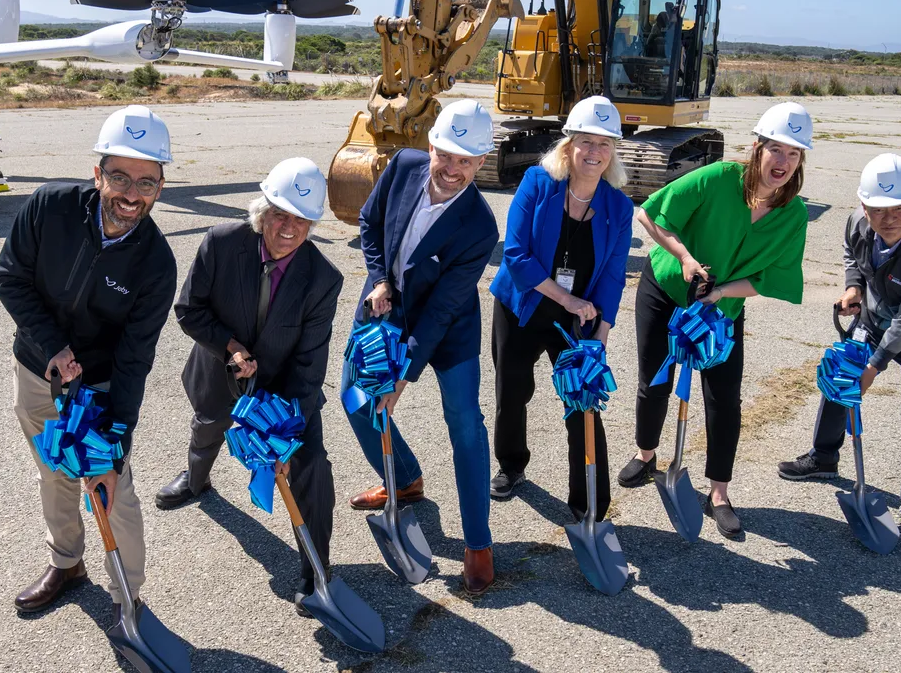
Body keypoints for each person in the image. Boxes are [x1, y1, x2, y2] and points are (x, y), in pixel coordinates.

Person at [0, 105, 177, 623]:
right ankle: (67, 563)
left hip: (97, 389)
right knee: (54, 474)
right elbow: (9, 277)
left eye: (146, 181)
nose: (131, 194)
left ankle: (127, 598)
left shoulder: (157, 264)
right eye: (119, 176)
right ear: (97, 174)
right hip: (35, 369)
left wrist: (116, 445)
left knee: (114, 493)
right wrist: (52, 345)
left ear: (161, 186)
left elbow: (135, 359)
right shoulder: (50, 206)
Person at [617, 101, 815, 538]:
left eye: (793, 154)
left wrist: (723, 292)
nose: (782, 162)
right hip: (668, 288)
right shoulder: (718, 178)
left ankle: (719, 492)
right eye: (776, 150)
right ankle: (647, 453)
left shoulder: (793, 214)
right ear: (757, 148)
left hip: (720, 308)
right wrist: (686, 258)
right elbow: (649, 214)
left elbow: (769, 279)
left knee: (724, 397)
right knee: (655, 380)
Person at [159, 157, 344, 615]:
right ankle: (196, 480)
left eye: (302, 219)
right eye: (280, 214)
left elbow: (309, 363)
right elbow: (189, 310)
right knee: (209, 426)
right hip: (220, 370)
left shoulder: (324, 279)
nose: (289, 228)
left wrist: (283, 438)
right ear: (262, 212)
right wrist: (231, 347)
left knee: (311, 467)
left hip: (284, 388)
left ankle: (316, 566)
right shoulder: (221, 243)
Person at [344, 99, 500, 594]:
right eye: (447, 155)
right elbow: (370, 224)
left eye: (467, 161)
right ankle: (406, 479)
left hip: (447, 327)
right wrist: (379, 278)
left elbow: (441, 309)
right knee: (358, 398)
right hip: (384, 304)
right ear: (430, 145)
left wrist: (403, 377)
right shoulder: (404, 166)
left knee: (465, 423)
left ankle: (478, 541)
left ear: (481, 163)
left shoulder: (480, 226)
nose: (454, 170)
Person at [779, 153, 901, 540]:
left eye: (899, 209)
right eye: (877, 209)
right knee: (840, 379)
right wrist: (853, 286)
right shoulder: (858, 224)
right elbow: (852, 256)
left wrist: (873, 367)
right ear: (864, 205)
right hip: (874, 320)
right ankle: (824, 455)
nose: (888, 219)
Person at [487, 96, 634, 524]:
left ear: (613, 152)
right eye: (586, 141)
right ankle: (511, 465)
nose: (594, 152)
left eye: (604, 144)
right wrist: (566, 297)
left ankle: (590, 503)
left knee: (582, 402)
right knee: (512, 392)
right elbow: (514, 254)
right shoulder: (538, 182)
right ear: (567, 144)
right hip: (523, 305)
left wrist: (600, 339)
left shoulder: (618, 207)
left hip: (578, 319)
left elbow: (612, 276)